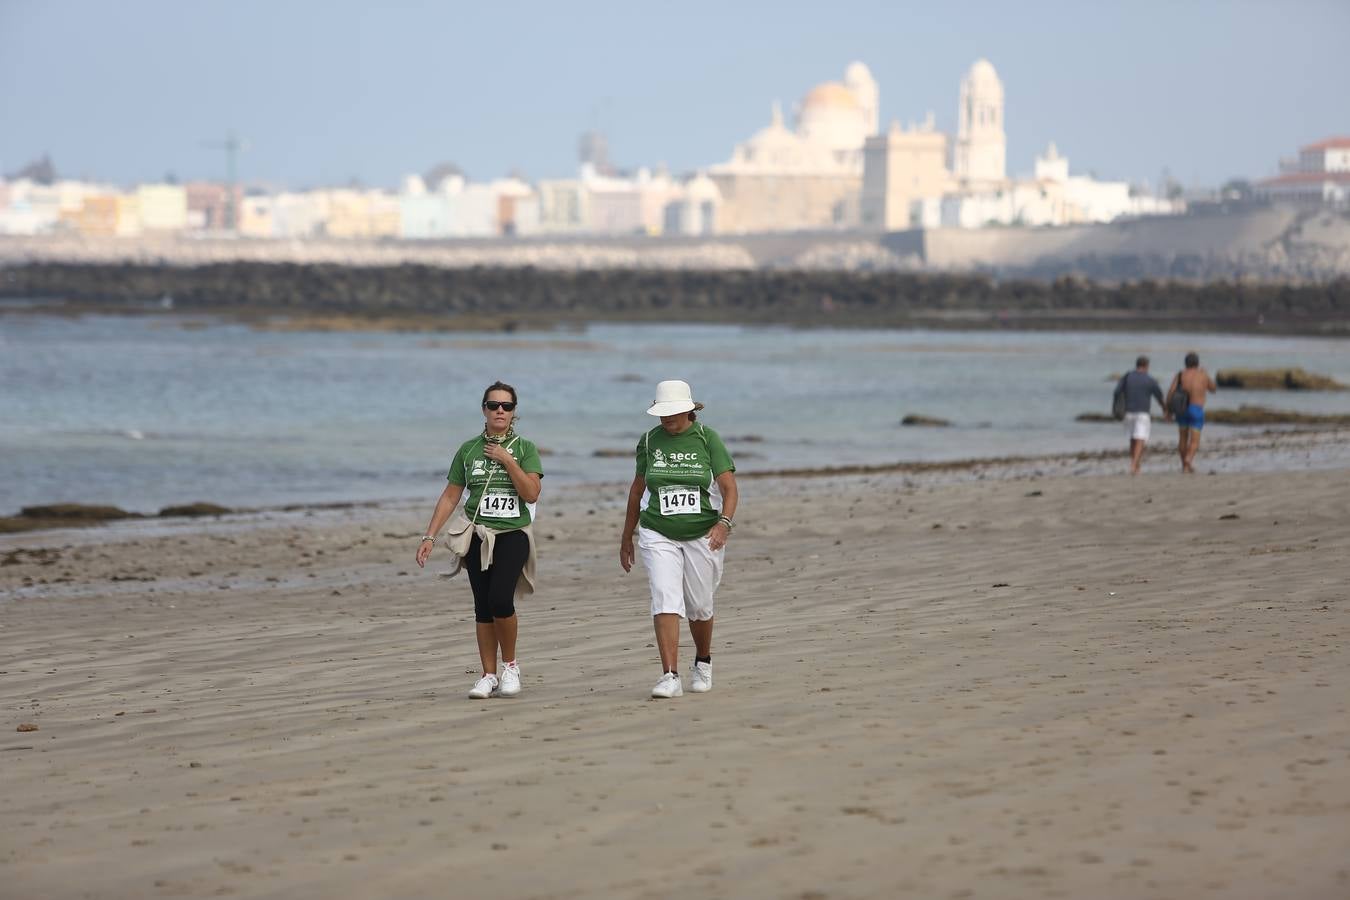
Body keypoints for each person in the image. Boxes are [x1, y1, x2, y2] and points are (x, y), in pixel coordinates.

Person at [416, 381, 543, 699]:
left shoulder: (526, 448)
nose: (500, 410)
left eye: (507, 406)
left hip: (512, 533)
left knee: (501, 600)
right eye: (494, 405)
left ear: (515, 412)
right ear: (484, 409)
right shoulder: (468, 449)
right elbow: (450, 496)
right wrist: (430, 535)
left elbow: (531, 493)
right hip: (476, 533)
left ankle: (510, 666)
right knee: (483, 607)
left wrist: (507, 460)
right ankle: (488, 675)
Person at [620, 380, 738, 699]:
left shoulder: (707, 438)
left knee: (699, 605)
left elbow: (729, 488)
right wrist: (626, 536)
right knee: (664, 596)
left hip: (703, 532)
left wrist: (724, 523)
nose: (667, 418)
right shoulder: (648, 441)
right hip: (657, 529)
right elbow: (636, 490)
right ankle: (669, 675)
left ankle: (702, 661)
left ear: (688, 409)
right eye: (662, 413)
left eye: (673, 412)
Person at [1166, 352, 1218, 474]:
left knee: (1182, 438)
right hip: (1196, 409)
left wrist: (1168, 410)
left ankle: (1184, 466)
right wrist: (1206, 374)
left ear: (1185, 363)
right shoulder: (1202, 375)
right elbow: (1213, 389)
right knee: (1194, 441)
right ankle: (1189, 459)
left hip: (1181, 409)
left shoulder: (1180, 375)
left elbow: (1170, 392)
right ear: (1197, 363)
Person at [1113, 355, 1166, 475]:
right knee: (1140, 439)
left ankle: (1136, 466)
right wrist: (1165, 409)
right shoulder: (1149, 379)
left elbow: (1116, 392)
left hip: (1128, 412)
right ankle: (1133, 465)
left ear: (1136, 365)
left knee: (1133, 439)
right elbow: (1159, 396)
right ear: (1147, 366)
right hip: (1142, 413)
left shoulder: (1127, 377)